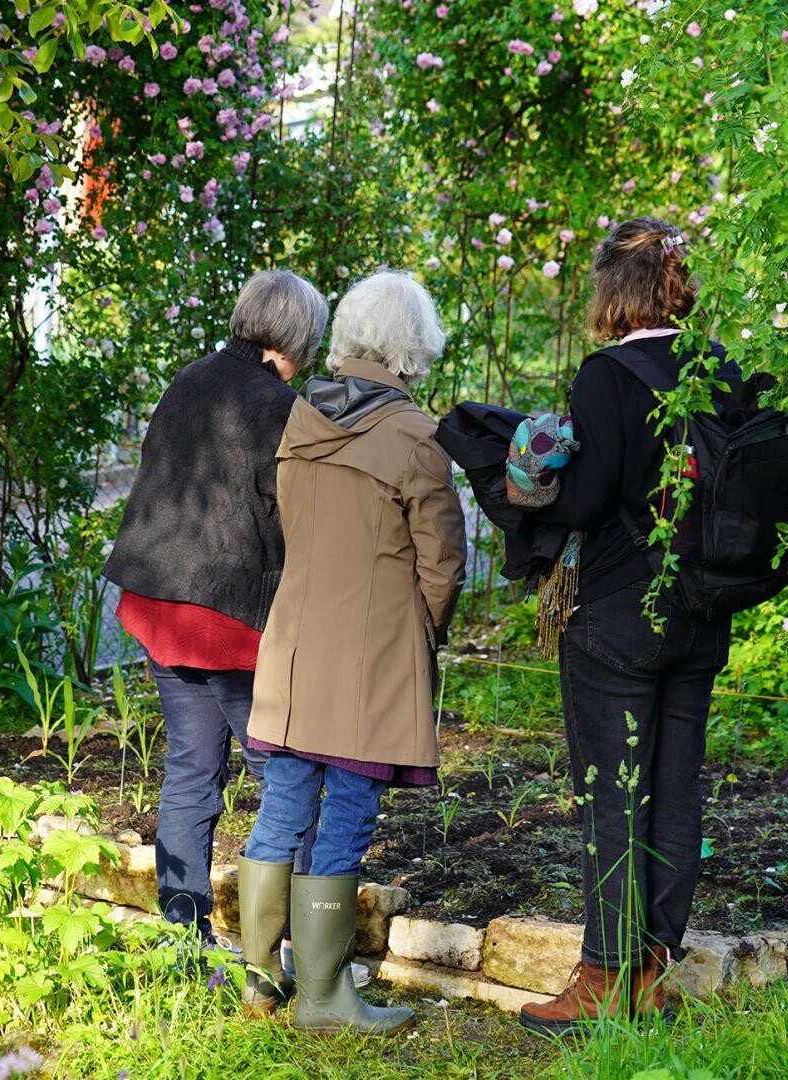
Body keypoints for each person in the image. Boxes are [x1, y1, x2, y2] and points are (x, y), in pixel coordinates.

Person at [517, 217, 733, 1036]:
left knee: (613, 793)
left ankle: (605, 975)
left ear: (614, 290)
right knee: (675, 788)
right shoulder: (718, 368)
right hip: (702, 610)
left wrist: (532, 470)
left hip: (617, 613)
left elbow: (583, 500)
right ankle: (650, 974)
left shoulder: (607, 376)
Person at [237, 271, 467, 1036]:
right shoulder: (415, 436)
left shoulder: (300, 418)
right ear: (415, 344)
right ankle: (325, 998)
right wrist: (422, 632)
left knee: (282, 807)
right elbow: (443, 564)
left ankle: (260, 978)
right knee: (346, 817)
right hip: (371, 658)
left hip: (293, 650)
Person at [104, 269, 330, 943]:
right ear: (301, 334)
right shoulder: (280, 408)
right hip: (227, 619)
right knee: (287, 780)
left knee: (191, 772)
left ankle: (183, 943)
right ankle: (297, 949)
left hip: (160, 604)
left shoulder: (189, 379)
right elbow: (297, 522)